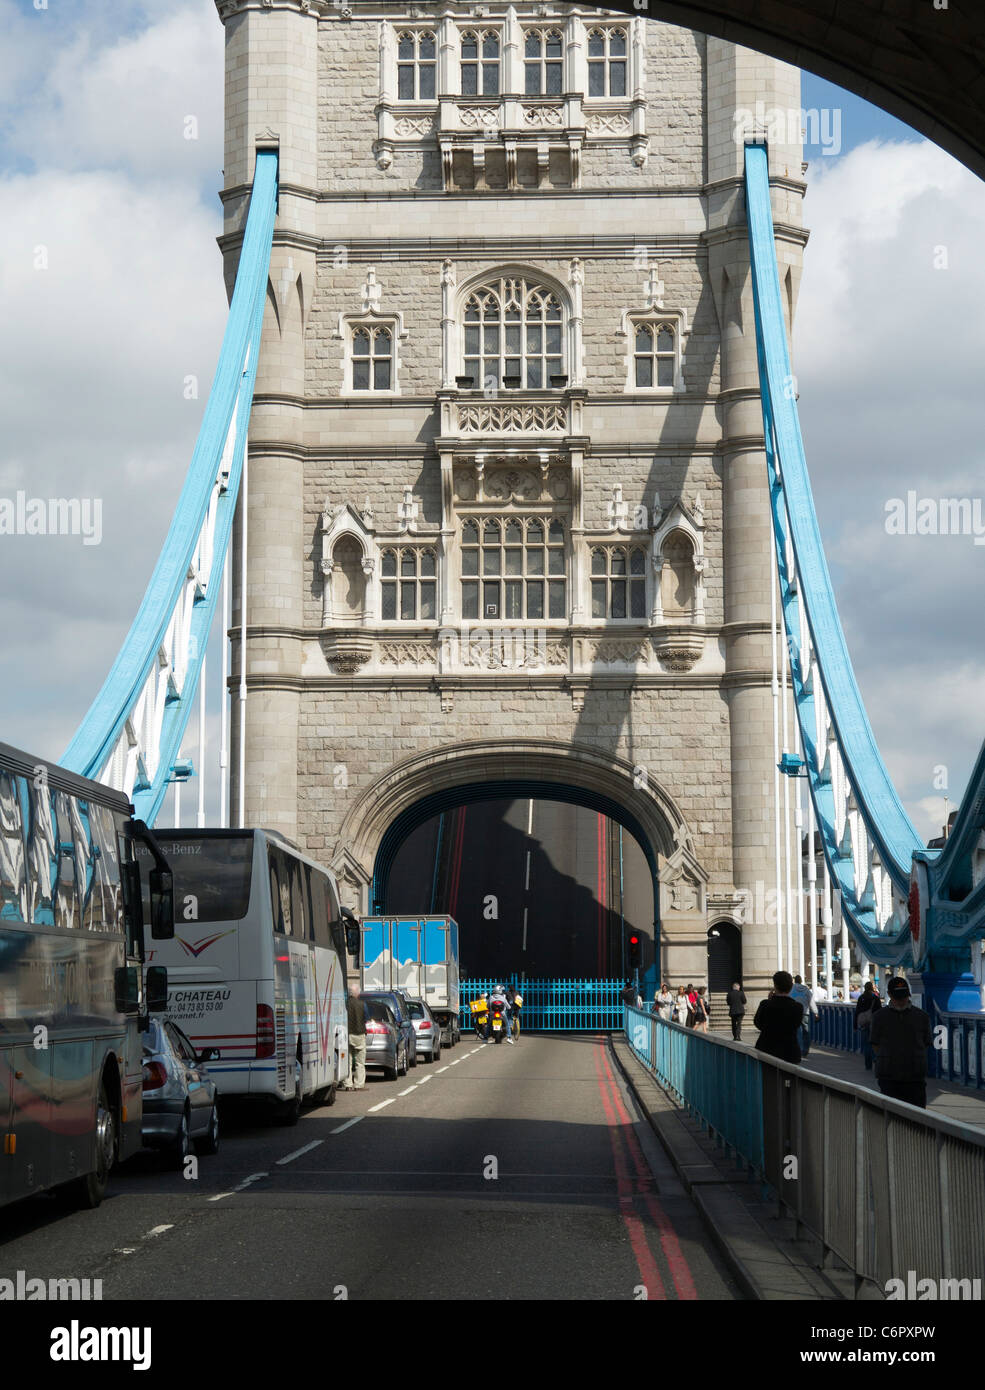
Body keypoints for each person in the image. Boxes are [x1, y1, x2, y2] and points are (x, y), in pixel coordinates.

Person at [869, 977, 932, 1107]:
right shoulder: (879, 1017)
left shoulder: (922, 1017)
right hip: (889, 1076)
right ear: (890, 995)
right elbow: (874, 1043)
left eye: (903, 997)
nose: (901, 1001)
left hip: (915, 1076)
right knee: (892, 1114)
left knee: (917, 1116)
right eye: (898, 997)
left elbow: (926, 1042)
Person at [753, 970, 804, 1064]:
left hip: (766, 1049)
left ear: (775, 986)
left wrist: (770, 1000)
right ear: (791, 986)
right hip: (789, 1052)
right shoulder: (798, 1007)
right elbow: (796, 1025)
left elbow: (758, 1023)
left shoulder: (765, 1004)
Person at [343, 981, 366, 1090]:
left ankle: (348, 1084)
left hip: (347, 1035)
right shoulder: (362, 1004)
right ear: (357, 993)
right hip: (359, 1035)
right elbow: (367, 1017)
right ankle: (358, 1084)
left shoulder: (345, 1004)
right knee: (360, 1062)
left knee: (347, 1061)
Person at [854, 979, 881, 1070]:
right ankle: (875, 1059)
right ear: (872, 988)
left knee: (866, 1044)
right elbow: (880, 1011)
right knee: (874, 1042)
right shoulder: (875, 998)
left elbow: (857, 1012)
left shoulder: (861, 997)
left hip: (864, 1023)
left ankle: (868, 1064)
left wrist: (855, 1025)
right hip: (874, 1023)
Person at [790, 975, 818, 1057]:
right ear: (801, 981)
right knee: (806, 1032)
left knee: (797, 1031)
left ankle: (798, 1049)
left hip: (795, 1013)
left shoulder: (791, 989)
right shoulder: (806, 990)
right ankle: (805, 1050)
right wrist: (816, 1012)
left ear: (795, 981)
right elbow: (811, 1002)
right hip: (805, 1013)